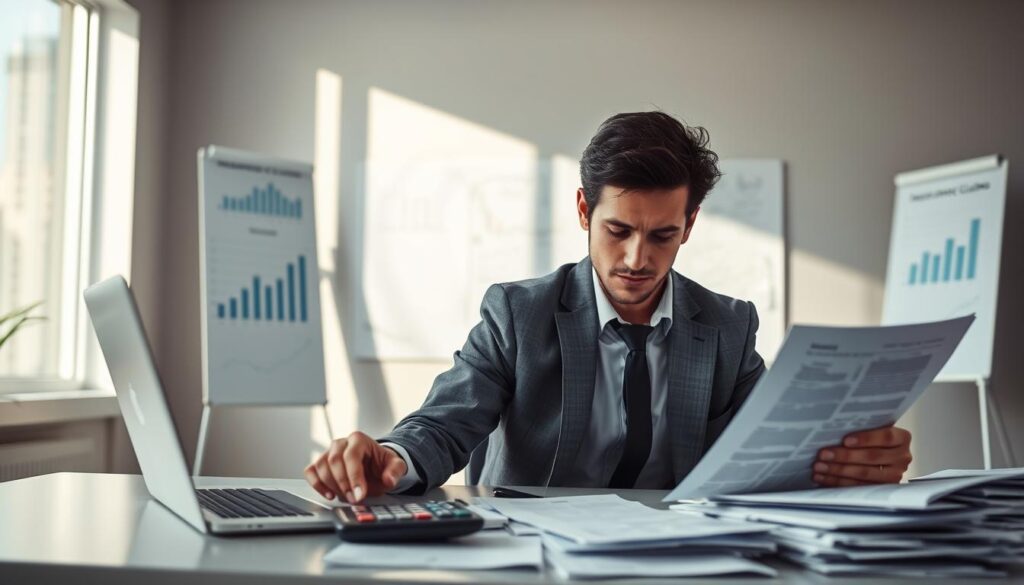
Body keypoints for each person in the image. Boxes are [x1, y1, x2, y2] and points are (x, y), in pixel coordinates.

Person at [304, 111, 913, 504]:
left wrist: (845, 460)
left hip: (677, 563)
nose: (637, 259)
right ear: (582, 211)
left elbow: (764, 452)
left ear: (690, 223)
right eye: (617, 230)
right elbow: (444, 425)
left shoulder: (727, 328)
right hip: (535, 561)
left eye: (662, 236)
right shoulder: (518, 314)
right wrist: (390, 459)